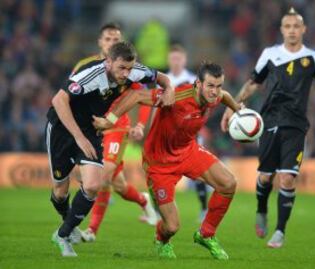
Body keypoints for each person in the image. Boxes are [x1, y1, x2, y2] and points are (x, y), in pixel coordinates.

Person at [93, 62, 242, 260]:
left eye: (218, 86)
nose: (215, 92)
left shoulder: (215, 97)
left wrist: (237, 109)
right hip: (159, 162)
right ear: (198, 84)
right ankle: (161, 239)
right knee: (172, 226)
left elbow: (225, 97)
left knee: (228, 183)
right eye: (211, 86)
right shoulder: (177, 96)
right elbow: (136, 95)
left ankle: (206, 234)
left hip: (188, 151)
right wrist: (110, 119)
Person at [46, 41, 174, 257]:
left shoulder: (134, 72)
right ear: (108, 62)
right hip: (62, 128)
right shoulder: (91, 75)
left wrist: (169, 89)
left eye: (129, 68)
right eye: (121, 68)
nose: (126, 74)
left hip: (92, 129)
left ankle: (63, 234)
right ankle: (68, 220)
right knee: (60, 191)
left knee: (94, 185)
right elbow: (59, 100)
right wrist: (78, 137)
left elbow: (162, 78)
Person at [221, 8, 315, 248]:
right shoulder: (270, 54)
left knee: (288, 179)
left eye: (296, 26)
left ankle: (280, 231)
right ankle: (261, 210)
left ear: (304, 30)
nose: (292, 30)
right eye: (288, 26)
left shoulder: (314, 58)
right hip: (269, 121)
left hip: (296, 125)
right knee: (265, 177)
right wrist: (233, 106)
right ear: (282, 30)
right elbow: (253, 84)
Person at [72, 23, 158, 244]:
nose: (112, 42)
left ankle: (91, 230)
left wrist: (139, 125)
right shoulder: (86, 66)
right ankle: (143, 200)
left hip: (118, 127)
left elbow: (144, 95)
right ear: (100, 42)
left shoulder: (128, 68)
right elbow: (72, 93)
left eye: (116, 39)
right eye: (108, 39)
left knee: (104, 175)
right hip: (94, 127)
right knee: (118, 185)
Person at [166, 44, 209, 222]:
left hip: (190, 133)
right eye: (173, 58)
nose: (176, 61)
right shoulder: (164, 80)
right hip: (168, 134)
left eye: (179, 58)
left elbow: (205, 105)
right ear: (169, 59)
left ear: (185, 60)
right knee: (163, 172)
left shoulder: (193, 80)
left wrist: (200, 124)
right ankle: (161, 210)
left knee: (198, 172)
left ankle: (204, 207)